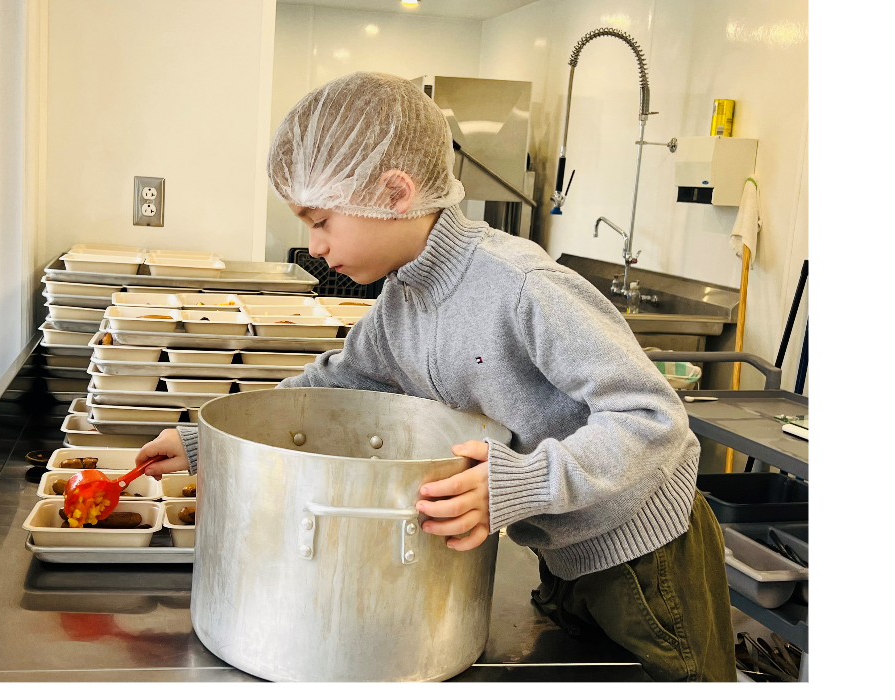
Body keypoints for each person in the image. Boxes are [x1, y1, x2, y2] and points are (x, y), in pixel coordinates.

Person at [136, 72, 736, 683]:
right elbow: (339, 386)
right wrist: (204, 439)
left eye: (319, 221)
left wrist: (525, 484)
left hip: (647, 554)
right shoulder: (403, 299)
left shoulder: (518, 285)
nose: (312, 246)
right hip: (561, 548)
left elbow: (652, 417)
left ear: (395, 194)